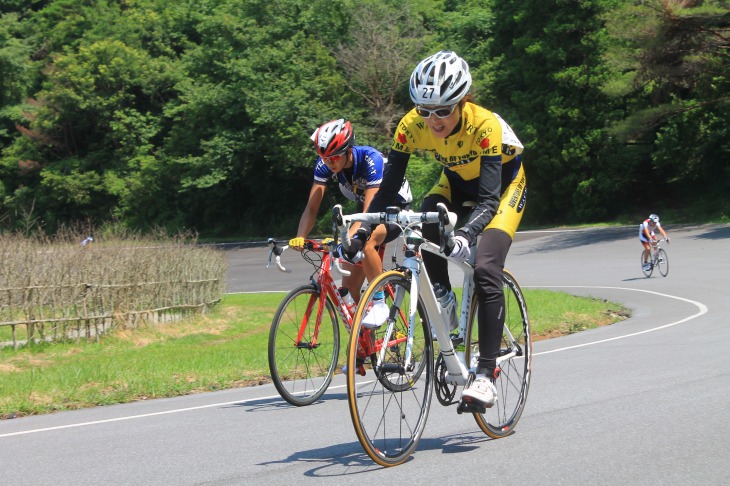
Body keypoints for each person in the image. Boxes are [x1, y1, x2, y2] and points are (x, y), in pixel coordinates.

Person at [368, 50, 527, 411]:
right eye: (425, 110)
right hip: (454, 184)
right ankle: (442, 296)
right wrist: (365, 231)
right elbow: (388, 191)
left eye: (442, 110)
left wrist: (466, 235)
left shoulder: (485, 125)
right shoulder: (411, 124)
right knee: (422, 222)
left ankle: (485, 376)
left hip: (502, 188)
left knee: (486, 267)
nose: (433, 120)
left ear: (461, 101)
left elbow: (487, 201)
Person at [289, 118, 412, 326]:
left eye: (335, 157)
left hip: (391, 209)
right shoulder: (325, 164)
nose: (330, 162)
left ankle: (379, 300)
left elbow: (370, 214)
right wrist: (300, 237)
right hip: (364, 210)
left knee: (366, 240)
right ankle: (364, 352)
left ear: (348, 150)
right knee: (349, 291)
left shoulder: (370, 159)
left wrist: (352, 236)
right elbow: (312, 207)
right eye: (325, 157)